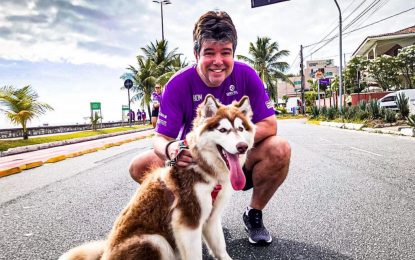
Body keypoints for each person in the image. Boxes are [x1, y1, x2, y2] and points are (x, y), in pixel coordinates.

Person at [129, 10, 291, 246]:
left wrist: (234, 142)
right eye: (209, 52)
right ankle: (192, 213)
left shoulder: (247, 75)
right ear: (196, 53)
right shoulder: (177, 84)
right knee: (140, 166)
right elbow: (160, 138)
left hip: (239, 160)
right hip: (196, 163)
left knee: (280, 148)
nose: (218, 61)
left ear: (233, 53)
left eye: (225, 53)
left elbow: (269, 124)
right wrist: (173, 149)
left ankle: (253, 214)